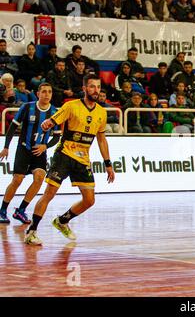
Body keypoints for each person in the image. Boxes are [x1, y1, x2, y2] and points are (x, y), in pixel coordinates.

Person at [23, 74, 115, 245]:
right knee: (49, 193)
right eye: (92, 87)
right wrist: (47, 124)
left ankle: (62, 220)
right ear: (85, 88)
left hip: (83, 159)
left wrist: (108, 163)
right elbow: (53, 120)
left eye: (98, 87)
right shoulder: (71, 106)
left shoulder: (101, 113)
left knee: (89, 200)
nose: (96, 90)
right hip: (64, 155)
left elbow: (101, 139)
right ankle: (32, 231)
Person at [0, 83, 60, 224]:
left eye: (50, 92)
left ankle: (20, 210)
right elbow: (13, 127)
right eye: (44, 91)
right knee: (17, 180)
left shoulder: (54, 112)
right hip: (24, 148)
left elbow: (57, 136)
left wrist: (45, 146)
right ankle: (2, 210)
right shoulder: (27, 107)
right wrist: (6, 147)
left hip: (39, 151)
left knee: (39, 179)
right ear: (38, 94)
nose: (47, 94)